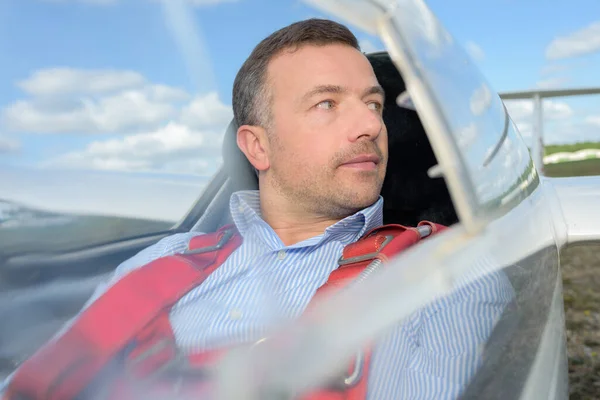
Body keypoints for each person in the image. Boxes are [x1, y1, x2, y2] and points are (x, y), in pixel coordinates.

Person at [1, 18, 515, 399]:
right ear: (257, 147)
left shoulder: (442, 271)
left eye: (374, 104)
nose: (369, 125)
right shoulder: (159, 262)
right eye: (327, 104)